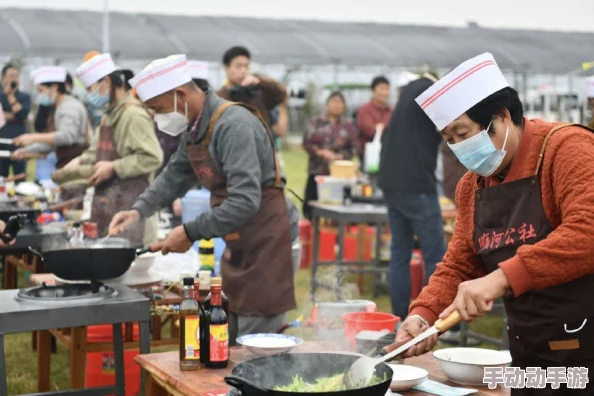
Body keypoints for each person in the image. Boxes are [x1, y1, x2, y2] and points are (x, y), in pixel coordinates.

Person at [385, 52, 594, 395]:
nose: (457, 146)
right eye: (448, 139)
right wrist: (423, 315)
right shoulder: (472, 185)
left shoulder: (567, 149)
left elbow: (587, 231)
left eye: (463, 133)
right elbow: (460, 261)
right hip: (529, 354)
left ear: (502, 117)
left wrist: (500, 279)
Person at [109, 55, 300, 343]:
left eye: (159, 110)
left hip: (269, 241)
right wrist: (137, 211)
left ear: (180, 96)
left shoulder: (233, 125)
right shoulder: (196, 129)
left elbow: (246, 201)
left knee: (257, 346)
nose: (158, 118)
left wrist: (188, 232)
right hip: (240, 241)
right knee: (230, 336)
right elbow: (173, 176)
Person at [60, 53, 163, 247]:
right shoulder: (108, 116)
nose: (89, 95)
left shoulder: (133, 115)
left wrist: (114, 167)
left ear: (106, 82)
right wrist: (79, 162)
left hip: (133, 215)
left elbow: (152, 157)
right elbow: (95, 152)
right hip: (108, 209)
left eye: (91, 89)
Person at [378, 72, 446, 322]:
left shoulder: (406, 96)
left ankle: (398, 318)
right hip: (417, 185)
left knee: (400, 252)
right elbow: (449, 127)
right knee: (435, 257)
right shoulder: (430, 90)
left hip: (391, 183)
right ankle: (433, 319)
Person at [12, 66, 90, 169]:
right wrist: (27, 151)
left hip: (77, 164)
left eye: (41, 90)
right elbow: (52, 142)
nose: (40, 95)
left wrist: (33, 137)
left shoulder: (70, 106)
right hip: (65, 164)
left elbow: (66, 136)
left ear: (54, 87)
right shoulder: (57, 107)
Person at [302, 91, 358, 220]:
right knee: (311, 208)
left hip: (340, 176)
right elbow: (306, 142)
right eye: (334, 102)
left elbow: (354, 148)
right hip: (317, 172)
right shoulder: (316, 122)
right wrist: (320, 152)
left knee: (337, 210)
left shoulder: (349, 126)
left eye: (340, 102)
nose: (337, 105)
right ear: (327, 104)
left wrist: (339, 156)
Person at [217, 46, 286, 128]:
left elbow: (281, 94)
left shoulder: (258, 92)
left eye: (246, 66)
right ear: (226, 68)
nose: (243, 71)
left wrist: (259, 81)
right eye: (238, 66)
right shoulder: (219, 97)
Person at [0, 63, 31, 177]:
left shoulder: (24, 96)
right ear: (3, 78)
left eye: (16, 76)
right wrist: (14, 115)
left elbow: (22, 114)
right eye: (11, 76)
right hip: (1, 142)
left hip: (19, 142)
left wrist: (10, 96)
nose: (14, 79)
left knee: (20, 176)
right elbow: (17, 114)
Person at [356, 76, 392, 166]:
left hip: (388, 155)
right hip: (368, 156)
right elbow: (370, 131)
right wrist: (387, 129)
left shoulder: (391, 111)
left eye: (387, 89)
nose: (384, 92)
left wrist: (381, 127)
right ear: (373, 91)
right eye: (381, 89)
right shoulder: (365, 110)